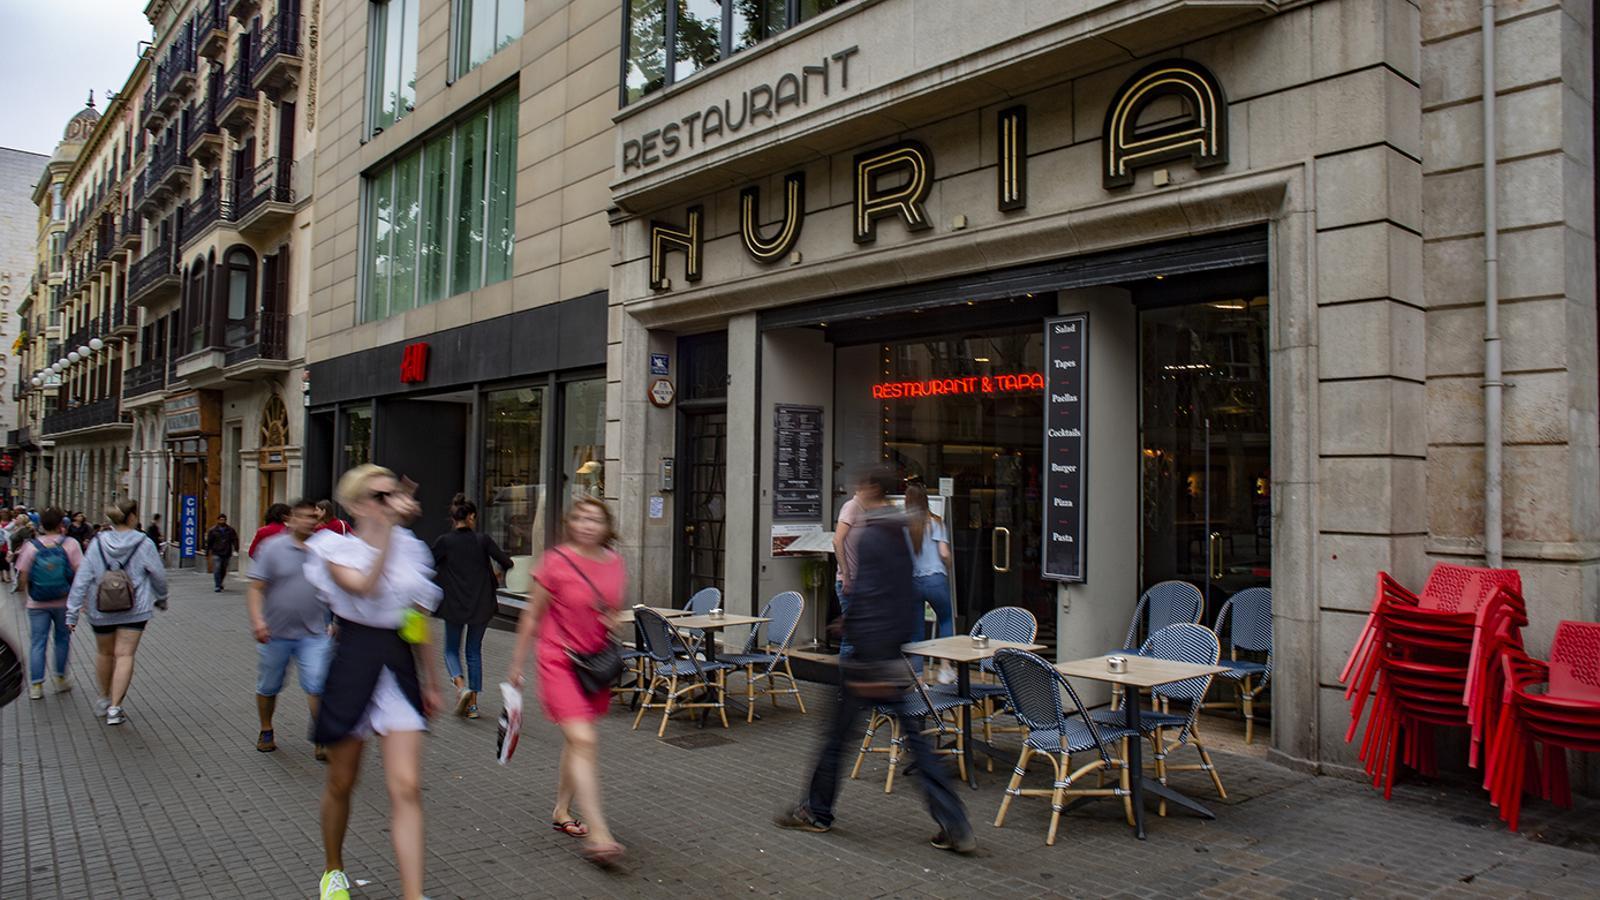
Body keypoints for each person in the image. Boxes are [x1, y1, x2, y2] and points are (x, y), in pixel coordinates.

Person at [775, 466, 975, 853]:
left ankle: (816, 811)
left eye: (860, 486)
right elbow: (902, 593)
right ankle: (954, 821)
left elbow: (869, 593)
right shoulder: (903, 532)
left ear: (870, 490)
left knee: (835, 739)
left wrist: (852, 629)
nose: (856, 491)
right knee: (915, 741)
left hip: (868, 657)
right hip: (891, 653)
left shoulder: (872, 537)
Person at [306, 465, 443, 900]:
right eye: (379, 497)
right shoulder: (332, 547)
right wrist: (385, 528)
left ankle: (414, 894)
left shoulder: (411, 548)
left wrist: (432, 680)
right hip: (352, 660)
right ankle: (333, 869)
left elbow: (418, 617)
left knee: (406, 786)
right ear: (355, 503)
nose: (389, 503)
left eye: (392, 495)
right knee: (342, 782)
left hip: (396, 664)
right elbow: (363, 587)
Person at [507, 496, 625, 867]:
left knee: (578, 741)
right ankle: (600, 833)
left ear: (606, 526)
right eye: (581, 518)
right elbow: (532, 615)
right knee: (584, 738)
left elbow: (613, 605)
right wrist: (516, 664)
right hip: (558, 659)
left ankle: (561, 810)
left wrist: (612, 619)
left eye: (595, 519)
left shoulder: (616, 563)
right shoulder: (555, 562)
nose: (588, 525)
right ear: (571, 523)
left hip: (593, 663)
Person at [64, 500, 169, 726]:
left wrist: (71, 613)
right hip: (135, 608)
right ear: (132, 517)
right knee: (125, 654)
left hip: (100, 607)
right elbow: (158, 576)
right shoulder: (145, 543)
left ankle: (103, 699)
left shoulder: (97, 543)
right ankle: (115, 707)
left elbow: (82, 578)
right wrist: (161, 597)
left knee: (104, 653)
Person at [247, 499, 331, 758]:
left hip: (314, 633)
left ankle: (322, 738)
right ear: (291, 519)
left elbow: (335, 589)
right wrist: (258, 621)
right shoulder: (272, 548)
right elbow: (255, 588)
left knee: (319, 684)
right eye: (305, 516)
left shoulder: (324, 550)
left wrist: (335, 621)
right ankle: (266, 729)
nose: (311, 522)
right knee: (269, 686)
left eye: (314, 517)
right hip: (276, 633)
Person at [432, 494, 512, 719]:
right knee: (474, 651)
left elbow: (428, 565)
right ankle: (474, 705)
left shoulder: (444, 542)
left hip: (454, 603)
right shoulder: (483, 540)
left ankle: (460, 687)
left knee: (450, 649)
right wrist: (495, 574)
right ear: (471, 517)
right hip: (481, 603)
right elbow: (507, 562)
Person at [17, 508, 83, 700]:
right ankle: (60, 679)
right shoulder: (70, 544)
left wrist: (24, 598)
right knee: (62, 639)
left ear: (41, 525)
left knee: (38, 642)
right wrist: (80, 599)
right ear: (61, 524)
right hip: (64, 602)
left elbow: (23, 574)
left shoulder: (31, 546)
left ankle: (36, 685)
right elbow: (81, 572)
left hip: (37, 603)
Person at [904, 479, 956, 684]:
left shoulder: (904, 526)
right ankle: (945, 668)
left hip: (913, 582)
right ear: (925, 500)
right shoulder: (935, 521)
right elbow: (944, 553)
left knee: (916, 630)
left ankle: (918, 678)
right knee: (945, 619)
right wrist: (949, 565)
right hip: (935, 579)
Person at [831, 483, 869, 658]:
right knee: (851, 636)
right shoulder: (851, 507)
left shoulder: (863, 510)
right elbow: (837, 540)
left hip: (860, 581)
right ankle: (845, 682)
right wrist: (845, 575)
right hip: (849, 581)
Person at [205, 513, 240, 592]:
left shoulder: (230, 530)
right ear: (218, 520)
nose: (222, 521)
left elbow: (235, 539)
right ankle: (217, 585)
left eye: (223, 519)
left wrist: (236, 548)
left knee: (223, 569)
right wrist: (207, 552)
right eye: (220, 519)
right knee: (217, 568)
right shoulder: (213, 530)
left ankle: (220, 582)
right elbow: (209, 542)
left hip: (226, 551)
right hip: (216, 552)